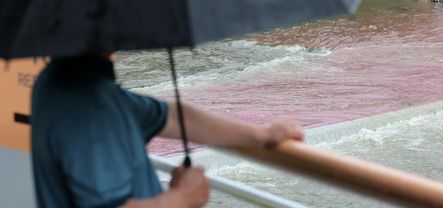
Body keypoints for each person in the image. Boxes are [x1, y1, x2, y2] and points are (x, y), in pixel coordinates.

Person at [31, 55, 304, 208]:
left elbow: (171, 117)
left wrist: (261, 136)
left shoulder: (57, 81)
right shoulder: (90, 106)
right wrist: (182, 197)